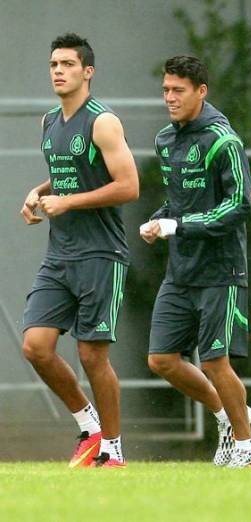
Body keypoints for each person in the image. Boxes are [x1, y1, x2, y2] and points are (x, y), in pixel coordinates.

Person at [20, 33, 138, 468]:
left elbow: (128, 185)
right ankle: (88, 425)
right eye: (54, 64)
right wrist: (37, 191)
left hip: (100, 255)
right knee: (36, 346)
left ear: (87, 72)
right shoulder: (49, 121)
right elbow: (71, 173)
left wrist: (66, 202)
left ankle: (113, 448)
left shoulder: (102, 122)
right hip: (60, 256)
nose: (58, 71)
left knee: (92, 354)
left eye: (67, 64)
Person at [141, 55, 251, 468]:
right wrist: (159, 221)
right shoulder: (165, 140)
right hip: (181, 270)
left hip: (221, 270)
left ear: (201, 92)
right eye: (165, 90)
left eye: (178, 91)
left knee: (213, 360)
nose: (169, 98)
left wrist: (179, 226)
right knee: (161, 359)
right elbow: (177, 203)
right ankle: (229, 413)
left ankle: (247, 449)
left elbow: (240, 205)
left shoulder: (223, 140)